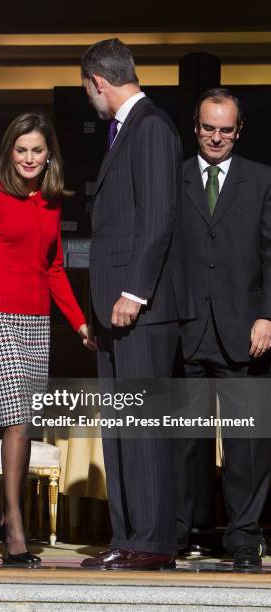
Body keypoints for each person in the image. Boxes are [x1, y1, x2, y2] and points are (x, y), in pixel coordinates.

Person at [80, 38, 194, 570]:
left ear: (99, 82)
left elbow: (158, 217)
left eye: (88, 90)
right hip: (114, 310)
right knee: (120, 426)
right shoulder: (126, 128)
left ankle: (152, 543)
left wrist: (133, 292)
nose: (90, 99)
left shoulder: (149, 127)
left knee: (144, 426)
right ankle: (127, 539)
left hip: (140, 308)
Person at [0, 112, 93, 566]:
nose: (28, 158)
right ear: (9, 152)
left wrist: (81, 323)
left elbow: (55, 268)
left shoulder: (49, 201)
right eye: (20, 150)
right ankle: (15, 526)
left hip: (37, 322)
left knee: (27, 420)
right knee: (17, 419)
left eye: (37, 151)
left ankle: (11, 520)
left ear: (49, 156)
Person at [176, 88, 271, 570]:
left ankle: (243, 537)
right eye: (208, 128)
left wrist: (268, 314)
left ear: (238, 130)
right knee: (184, 442)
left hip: (245, 333)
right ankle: (178, 530)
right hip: (187, 329)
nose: (216, 137)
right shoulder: (174, 178)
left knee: (246, 447)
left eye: (225, 129)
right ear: (196, 127)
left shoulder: (261, 180)